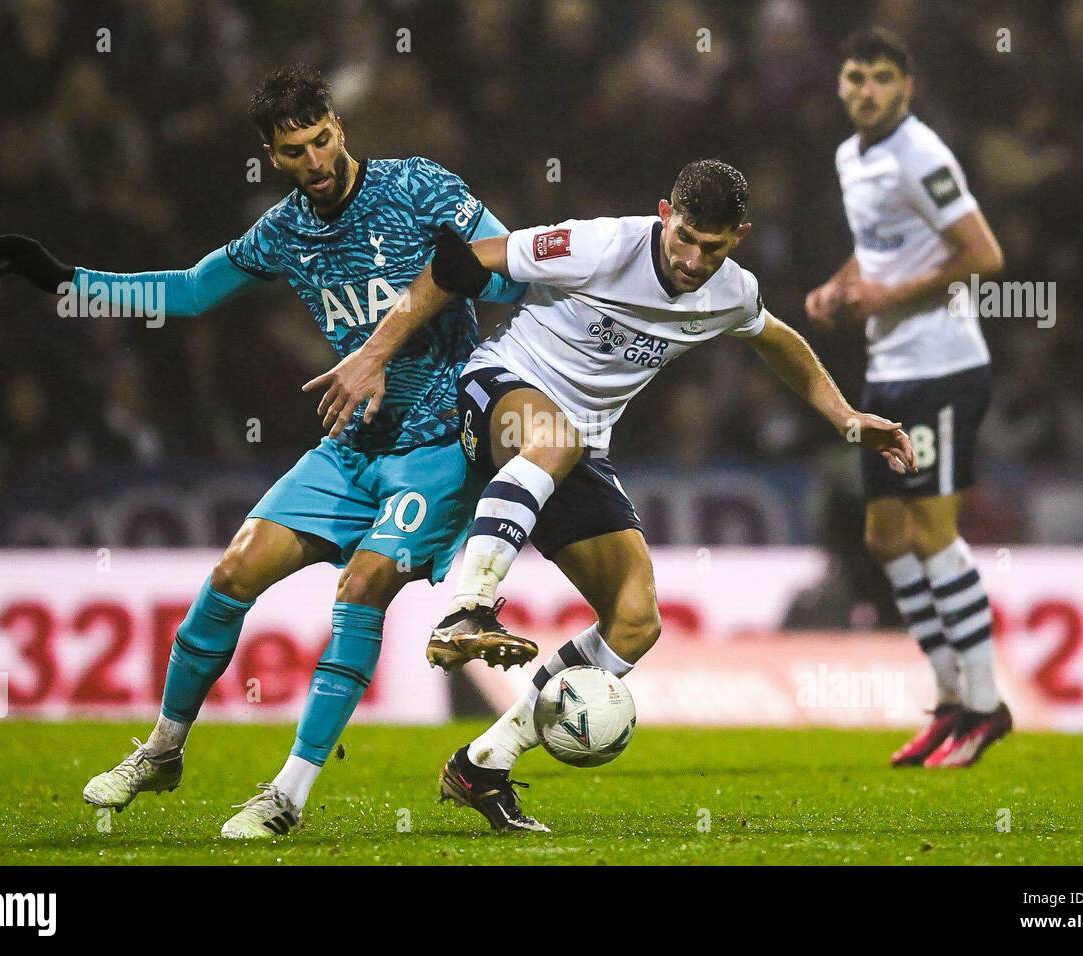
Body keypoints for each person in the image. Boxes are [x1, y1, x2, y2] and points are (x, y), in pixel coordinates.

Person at [0, 65, 524, 838]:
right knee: (233, 571)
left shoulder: (418, 187)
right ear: (272, 155)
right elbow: (190, 291)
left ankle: (287, 797)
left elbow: (506, 271)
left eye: (321, 139)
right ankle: (164, 750)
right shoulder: (284, 231)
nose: (316, 161)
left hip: (436, 446)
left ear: (339, 125)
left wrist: (468, 265)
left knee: (362, 587)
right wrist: (68, 283)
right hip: (349, 447)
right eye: (294, 150)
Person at [321, 158, 915, 830]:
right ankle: (469, 607)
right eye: (684, 236)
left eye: (711, 247)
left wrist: (844, 418)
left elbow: (777, 340)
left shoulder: (730, 293)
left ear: (738, 237)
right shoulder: (597, 245)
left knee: (635, 620)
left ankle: (484, 763)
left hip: (575, 445)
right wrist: (376, 351)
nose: (693, 259)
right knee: (555, 436)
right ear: (665, 214)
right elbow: (460, 264)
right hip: (502, 386)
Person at [805, 28, 1011, 768]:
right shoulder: (850, 157)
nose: (866, 90)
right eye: (855, 77)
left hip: (944, 368)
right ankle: (951, 701)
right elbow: (880, 241)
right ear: (841, 84)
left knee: (930, 532)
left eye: (881, 78)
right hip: (888, 369)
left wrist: (892, 294)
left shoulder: (922, 154)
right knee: (884, 539)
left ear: (906, 87)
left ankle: (988, 707)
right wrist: (843, 284)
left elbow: (986, 255)